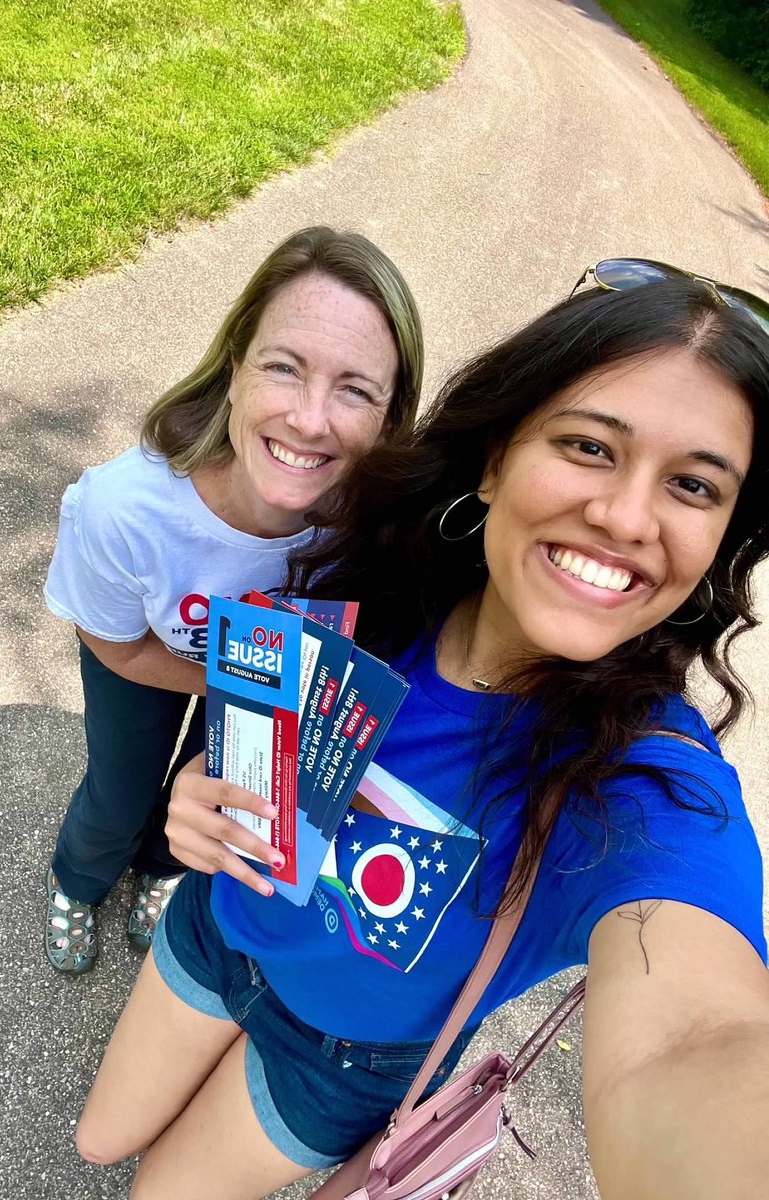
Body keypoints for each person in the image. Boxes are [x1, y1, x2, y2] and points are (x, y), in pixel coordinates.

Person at [75, 261, 769, 1200]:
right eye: (591, 448)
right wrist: (203, 786)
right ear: (494, 461)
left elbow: (697, 1036)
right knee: (96, 1140)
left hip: (340, 1061)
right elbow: (249, 738)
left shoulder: (647, 789)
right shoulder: (366, 579)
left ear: (724, 537)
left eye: (693, 487)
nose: (624, 516)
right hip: (219, 928)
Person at [41, 226, 424, 973]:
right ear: (234, 366)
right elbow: (114, 645)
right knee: (118, 788)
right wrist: (247, 680)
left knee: (216, 785)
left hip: (264, 683)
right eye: (285, 367)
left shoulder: (370, 532)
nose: (311, 420)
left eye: (355, 389)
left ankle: (162, 868)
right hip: (144, 657)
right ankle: (77, 878)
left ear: (389, 416)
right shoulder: (123, 509)